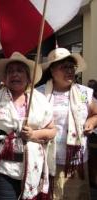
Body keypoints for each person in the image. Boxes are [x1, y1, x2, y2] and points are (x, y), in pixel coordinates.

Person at [0, 52, 56, 200]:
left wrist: (33, 135)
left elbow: (52, 130)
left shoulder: (40, 101)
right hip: (0, 167)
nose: (15, 74)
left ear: (28, 77)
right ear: (5, 77)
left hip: (32, 168)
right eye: (10, 71)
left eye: (20, 71)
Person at [37, 48, 97, 200]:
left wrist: (91, 121)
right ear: (52, 70)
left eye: (72, 67)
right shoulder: (39, 93)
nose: (70, 71)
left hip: (75, 162)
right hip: (47, 160)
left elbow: (96, 113)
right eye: (64, 67)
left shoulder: (84, 93)